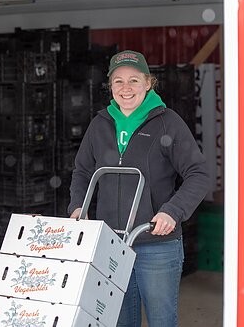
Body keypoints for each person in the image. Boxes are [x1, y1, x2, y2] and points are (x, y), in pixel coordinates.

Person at [68, 50, 210, 327]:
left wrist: (172, 211)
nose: (126, 88)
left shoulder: (167, 122)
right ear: (110, 86)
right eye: (118, 81)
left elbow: (198, 173)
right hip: (111, 244)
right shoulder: (100, 124)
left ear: (148, 83)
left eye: (134, 80)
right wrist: (77, 206)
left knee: (160, 321)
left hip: (156, 243)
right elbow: (82, 171)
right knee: (118, 320)